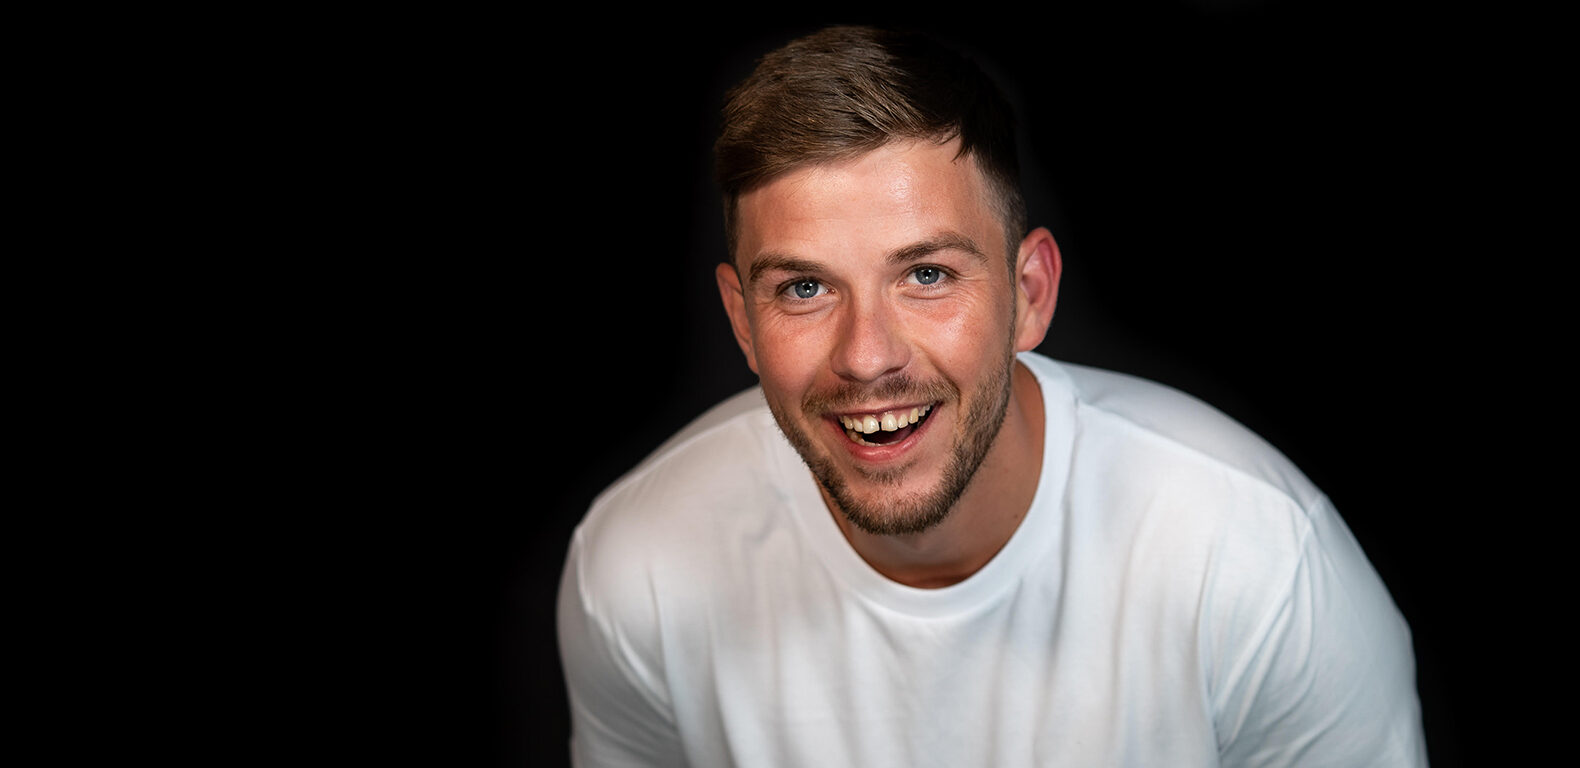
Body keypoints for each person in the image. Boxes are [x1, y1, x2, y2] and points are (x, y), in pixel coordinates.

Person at [557, 25, 1426, 767]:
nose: (866, 357)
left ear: (1030, 294)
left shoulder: (1256, 565)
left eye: (927, 274)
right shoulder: (640, 568)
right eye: (805, 289)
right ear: (743, 323)